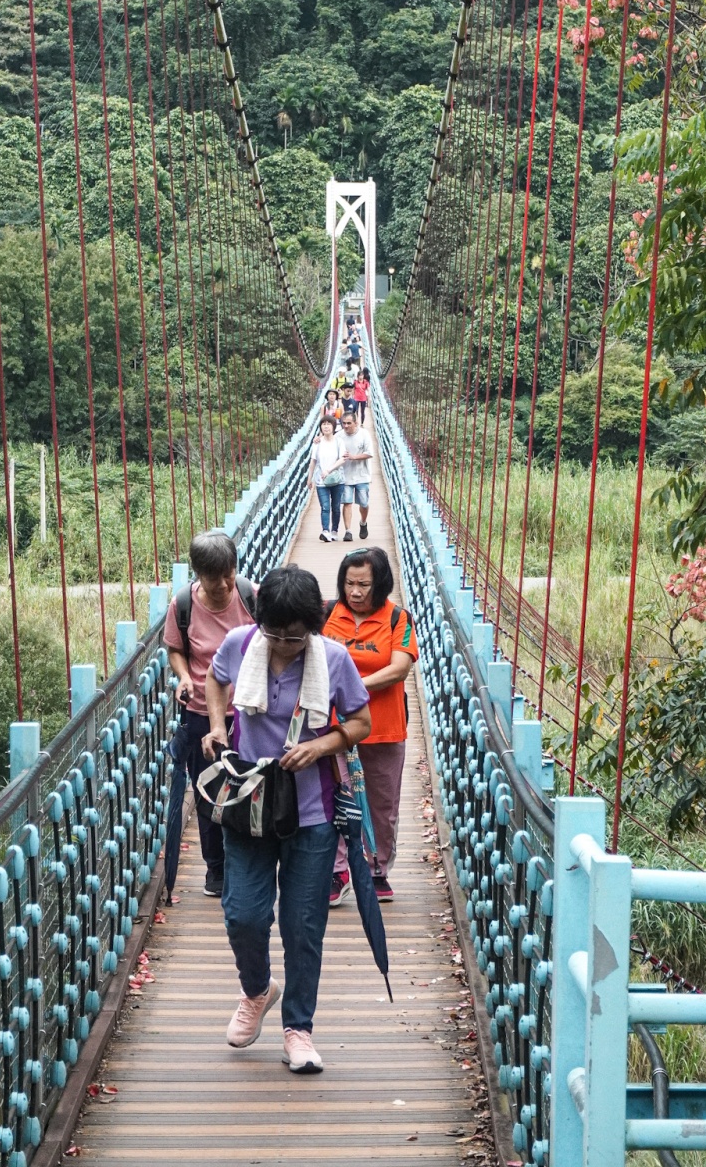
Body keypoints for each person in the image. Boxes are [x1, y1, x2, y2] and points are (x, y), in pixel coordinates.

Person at [203, 565, 371, 1073]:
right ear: (260, 623)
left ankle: (299, 1029)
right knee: (243, 914)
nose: (282, 645)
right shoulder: (239, 642)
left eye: (295, 638)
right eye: (273, 634)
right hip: (250, 805)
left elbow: (361, 721)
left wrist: (320, 745)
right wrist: (216, 726)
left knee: (303, 925)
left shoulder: (334, 659)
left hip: (312, 810)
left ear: (313, 629)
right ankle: (257, 991)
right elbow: (215, 680)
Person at [163, 531, 257, 898]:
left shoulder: (252, 596)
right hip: (201, 711)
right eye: (212, 577)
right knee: (208, 793)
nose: (222, 584)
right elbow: (175, 648)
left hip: (250, 711)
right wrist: (184, 676)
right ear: (197, 574)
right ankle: (215, 869)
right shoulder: (183, 604)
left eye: (228, 574)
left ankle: (247, 864)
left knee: (251, 789)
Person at [322, 548, 418, 905]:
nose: (356, 591)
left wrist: (352, 686)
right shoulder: (329, 614)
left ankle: (377, 867)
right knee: (336, 797)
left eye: (364, 584)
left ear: (380, 584)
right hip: (335, 726)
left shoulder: (397, 619)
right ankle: (339, 870)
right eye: (349, 583)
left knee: (382, 802)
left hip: (383, 727)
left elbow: (399, 668)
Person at [338, 409, 372, 543]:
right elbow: (327, 443)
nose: (345, 426)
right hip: (345, 476)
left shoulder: (364, 434)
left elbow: (369, 453)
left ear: (356, 423)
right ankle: (348, 531)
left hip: (362, 475)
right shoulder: (338, 436)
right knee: (347, 502)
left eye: (348, 423)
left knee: (363, 503)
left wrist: (353, 457)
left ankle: (363, 522)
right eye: (343, 423)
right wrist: (317, 440)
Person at [311, 415, 346, 542]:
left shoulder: (339, 442)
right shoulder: (317, 443)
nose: (326, 426)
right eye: (323, 424)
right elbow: (313, 462)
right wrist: (309, 480)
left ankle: (334, 531)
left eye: (328, 424)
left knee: (336, 507)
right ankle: (325, 531)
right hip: (321, 481)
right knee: (325, 506)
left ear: (333, 426)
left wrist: (329, 470)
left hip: (337, 479)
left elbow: (343, 459)